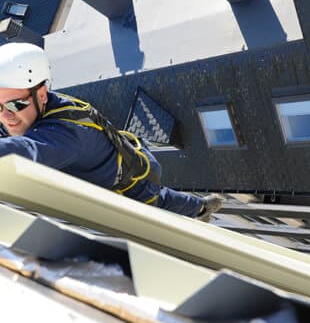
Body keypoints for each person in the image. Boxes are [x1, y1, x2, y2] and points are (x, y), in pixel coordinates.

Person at [0, 42, 222, 221]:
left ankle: (201, 208)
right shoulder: (33, 109)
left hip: (132, 178)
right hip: (120, 153)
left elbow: (25, 151)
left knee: (158, 201)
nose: (5, 116)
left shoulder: (65, 134)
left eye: (15, 105)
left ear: (42, 94)